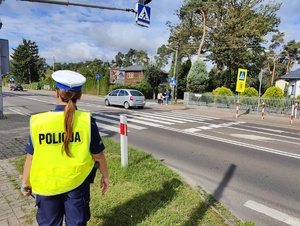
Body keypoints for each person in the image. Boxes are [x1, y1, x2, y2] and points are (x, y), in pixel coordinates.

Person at [20, 70, 109, 226]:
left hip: (47, 186)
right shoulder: (87, 121)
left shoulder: (38, 122)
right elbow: (98, 155)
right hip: (77, 184)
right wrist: (105, 176)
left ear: (56, 93)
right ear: (80, 96)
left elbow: (30, 157)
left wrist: (25, 183)